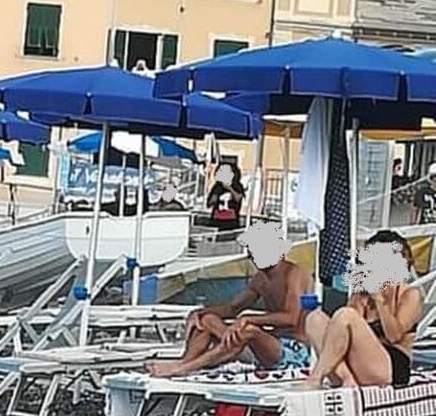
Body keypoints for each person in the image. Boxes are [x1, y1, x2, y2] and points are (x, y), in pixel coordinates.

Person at [147, 221, 312, 377]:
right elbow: (233, 308)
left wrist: (248, 319)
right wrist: (199, 312)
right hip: (268, 344)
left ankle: (184, 368)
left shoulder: (293, 274)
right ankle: (185, 362)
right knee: (207, 321)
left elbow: (291, 318)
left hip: (294, 350)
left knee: (249, 330)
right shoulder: (260, 279)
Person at [303, 230, 422, 388]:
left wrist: (379, 299)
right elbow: (344, 334)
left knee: (346, 315)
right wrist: (362, 298)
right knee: (315, 319)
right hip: (358, 365)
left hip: (390, 366)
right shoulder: (361, 295)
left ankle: (315, 378)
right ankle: (347, 379)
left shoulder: (409, 294)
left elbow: (394, 336)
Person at [206, 161, 245, 231]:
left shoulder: (238, 186)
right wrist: (215, 196)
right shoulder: (217, 187)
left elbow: (238, 198)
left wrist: (229, 188)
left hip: (231, 220)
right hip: (217, 219)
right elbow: (209, 204)